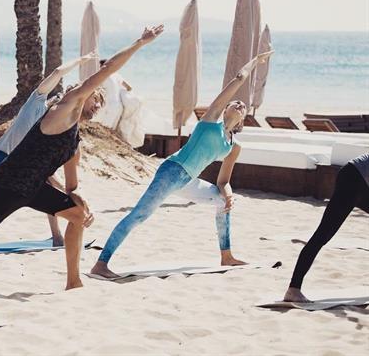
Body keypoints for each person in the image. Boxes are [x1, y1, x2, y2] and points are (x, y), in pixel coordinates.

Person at [0, 24, 164, 293]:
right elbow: (107, 71)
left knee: (77, 216)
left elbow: (72, 186)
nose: (98, 106)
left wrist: (80, 200)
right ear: (81, 95)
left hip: (35, 189)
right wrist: (140, 43)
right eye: (96, 99)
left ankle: (74, 281)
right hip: (10, 184)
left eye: (101, 104)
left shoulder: (74, 143)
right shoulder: (65, 107)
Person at [91, 49, 274, 279]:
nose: (238, 104)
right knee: (140, 215)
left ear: (243, 117)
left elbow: (223, 180)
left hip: (188, 180)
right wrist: (255, 61)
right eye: (234, 103)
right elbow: (238, 80)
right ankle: (101, 263)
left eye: (242, 105)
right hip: (171, 171)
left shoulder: (233, 146)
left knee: (221, 203)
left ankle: (226, 256)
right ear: (225, 109)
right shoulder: (209, 122)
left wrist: (228, 195)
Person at [0, 53, 98, 245]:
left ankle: (56, 237)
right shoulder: (37, 102)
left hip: (22, 167)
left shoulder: (57, 128)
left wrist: (68, 191)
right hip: (1, 158)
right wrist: (81, 61)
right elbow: (57, 72)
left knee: (48, 189)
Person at [283, 153, 369, 302]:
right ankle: (293, 289)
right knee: (323, 235)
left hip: (358, 178)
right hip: (353, 178)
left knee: (322, 235)